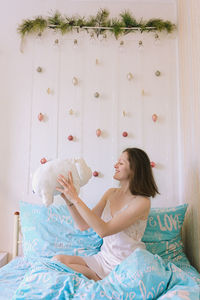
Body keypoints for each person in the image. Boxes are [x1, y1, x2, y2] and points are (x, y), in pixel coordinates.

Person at [53, 148, 159, 281]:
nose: (115, 165)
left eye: (121, 163)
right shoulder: (111, 193)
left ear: (134, 168)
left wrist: (76, 198)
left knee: (62, 267)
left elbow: (103, 230)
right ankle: (96, 277)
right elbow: (82, 224)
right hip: (103, 259)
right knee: (57, 260)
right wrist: (68, 200)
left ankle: (98, 279)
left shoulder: (142, 202)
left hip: (125, 265)